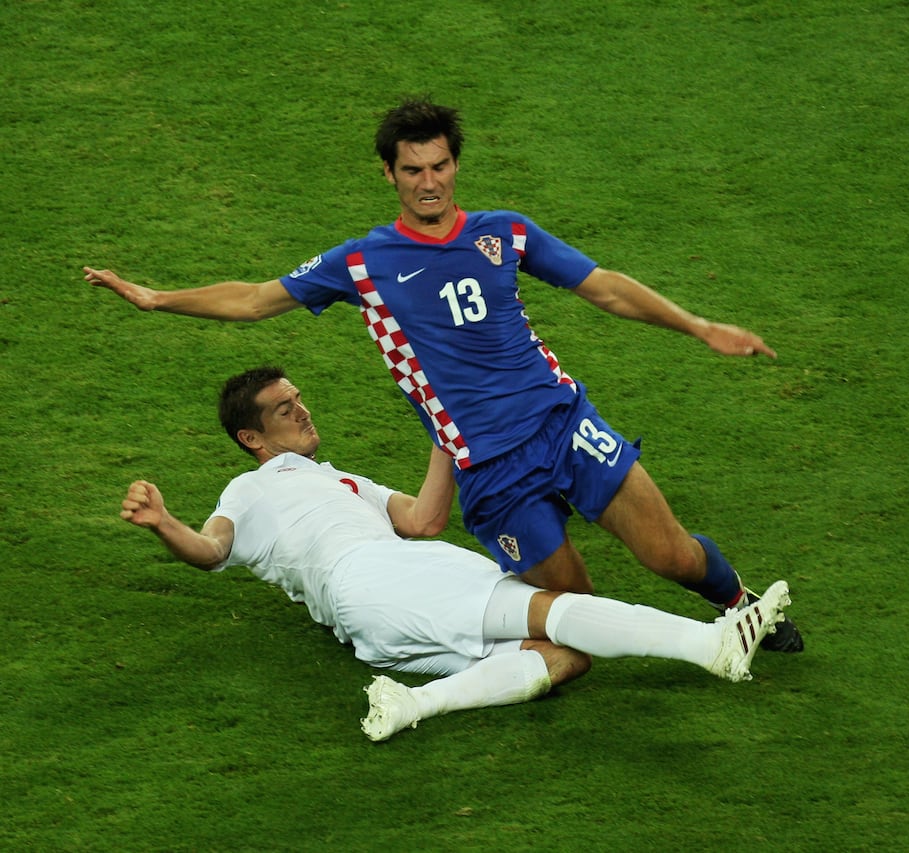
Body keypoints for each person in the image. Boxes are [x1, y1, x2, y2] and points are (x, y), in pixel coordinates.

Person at [85, 97, 802, 652]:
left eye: (439, 166)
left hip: (561, 423)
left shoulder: (504, 232)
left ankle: (738, 606)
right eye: (412, 169)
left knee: (670, 553)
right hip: (488, 471)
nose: (428, 182)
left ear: (455, 164)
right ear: (388, 173)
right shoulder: (360, 262)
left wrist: (697, 325)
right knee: (575, 605)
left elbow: (604, 286)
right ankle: (667, 652)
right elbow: (253, 298)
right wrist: (156, 297)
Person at [119, 366, 791, 741]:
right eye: (282, 409)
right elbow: (212, 549)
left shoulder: (342, 479)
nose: (301, 410)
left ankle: (412, 704)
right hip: (377, 576)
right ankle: (711, 643)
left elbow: (423, 516)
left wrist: (447, 426)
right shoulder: (253, 485)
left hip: (375, 623)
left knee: (565, 657)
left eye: (298, 398)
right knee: (555, 609)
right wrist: (164, 522)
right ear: (251, 437)